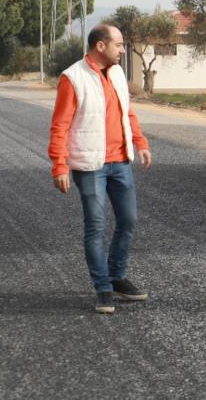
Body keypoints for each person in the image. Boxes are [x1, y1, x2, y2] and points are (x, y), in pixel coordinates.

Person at [48, 24, 152, 314]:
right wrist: (59, 164)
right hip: (90, 164)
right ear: (101, 46)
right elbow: (60, 125)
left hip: (120, 161)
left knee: (128, 221)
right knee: (96, 225)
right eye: (118, 44)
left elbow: (127, 111)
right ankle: (103, 288)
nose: (123, 49)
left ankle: (116, 276)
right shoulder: (73, 78)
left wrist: (140, 142)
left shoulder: (117, 74)